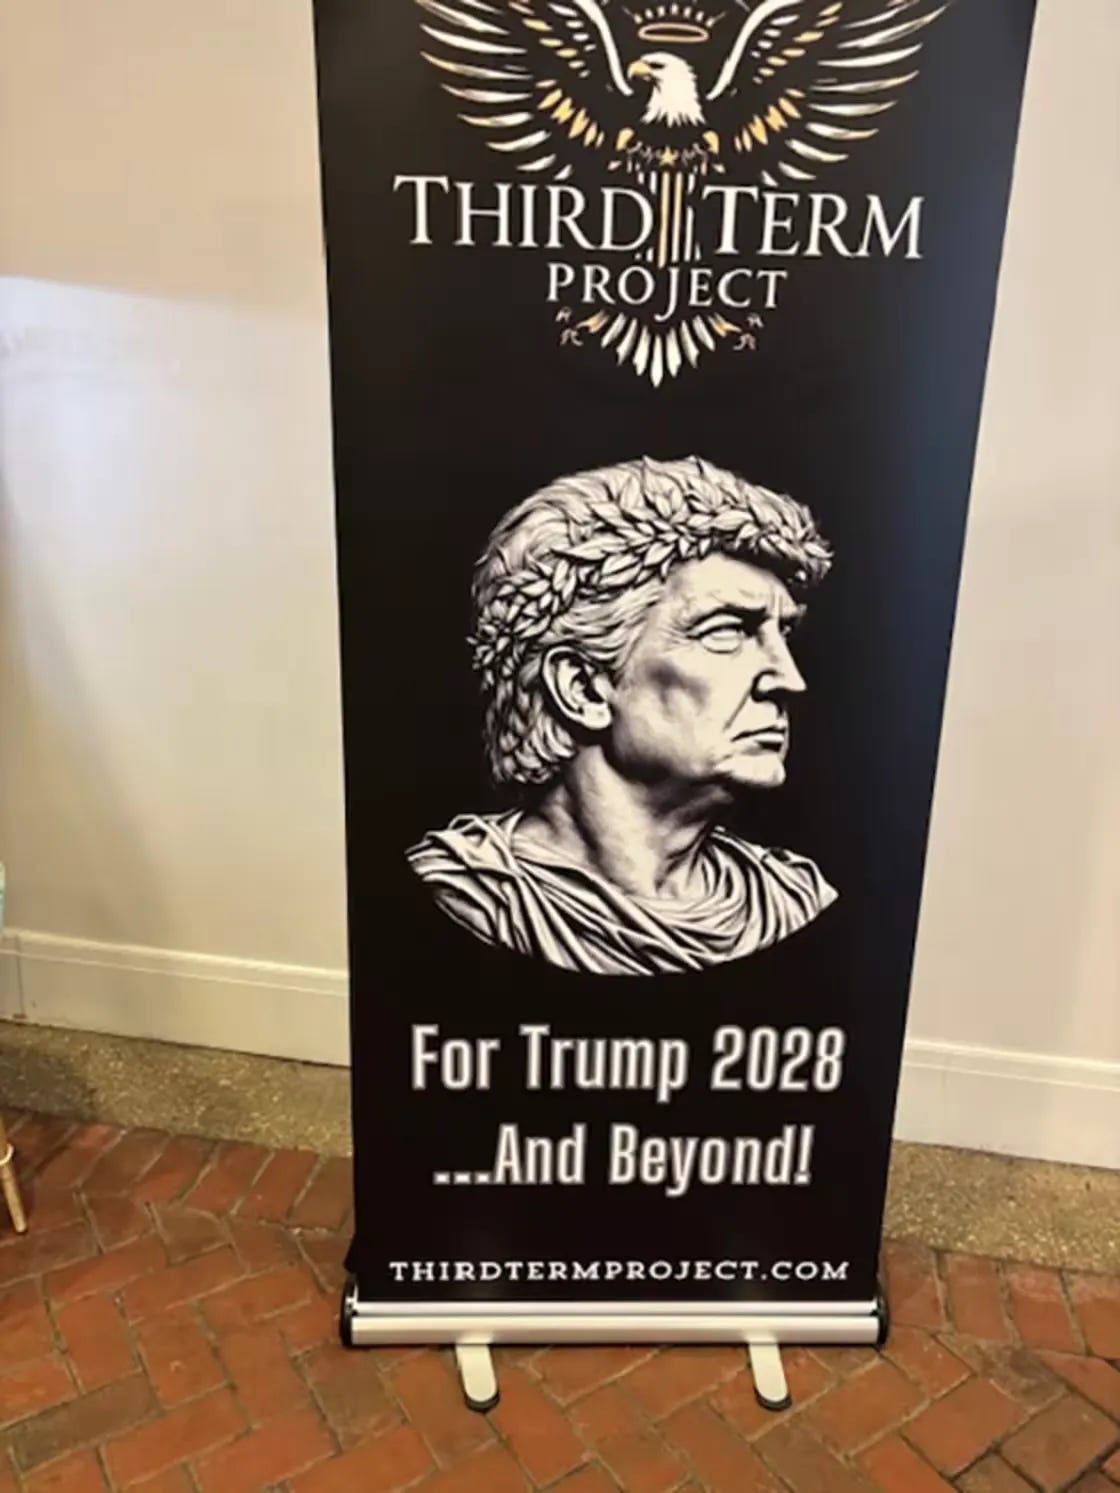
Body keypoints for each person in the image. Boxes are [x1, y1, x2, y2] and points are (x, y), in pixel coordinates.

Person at [408, 455, 838, 976]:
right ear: (582, 687)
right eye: (727, 631)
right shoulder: (471, 892)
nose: (788, 679)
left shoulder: (789, 899)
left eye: (782, 634)